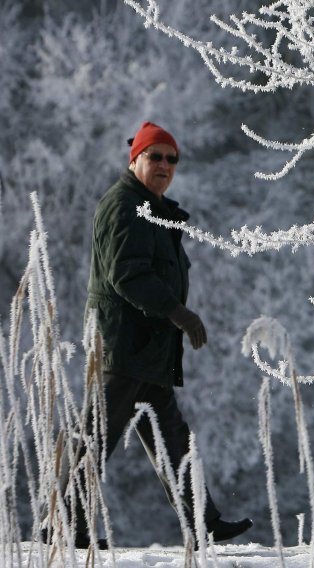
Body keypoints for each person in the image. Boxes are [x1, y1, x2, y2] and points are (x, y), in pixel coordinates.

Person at [66, 121, 252, 548]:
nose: (165, 164)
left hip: (147, 349)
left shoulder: (153, 207)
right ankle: (61, 525)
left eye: (172, 158)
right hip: (122, 346)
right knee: (96, 435)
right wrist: (177, 312)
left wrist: (174, 317)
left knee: (172, 436)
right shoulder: (125, 205)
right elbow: (127, 274)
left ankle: (203, 521)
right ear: (136, 160)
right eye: (156, 156)